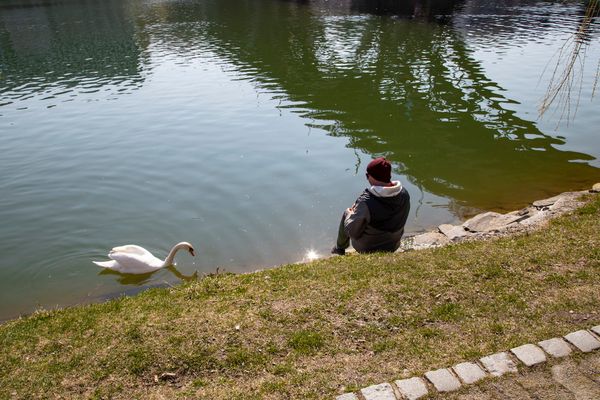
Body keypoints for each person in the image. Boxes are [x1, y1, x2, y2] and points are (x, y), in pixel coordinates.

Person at [332, 157, 410, 255]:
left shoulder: (366, 202)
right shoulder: (404, 194)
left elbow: (352, 233)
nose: (367, 177)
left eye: (367, 175)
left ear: (372, 176)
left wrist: (351, 213)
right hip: (393, 244)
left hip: (368, 248)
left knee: (347, 213)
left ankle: (340, 248)